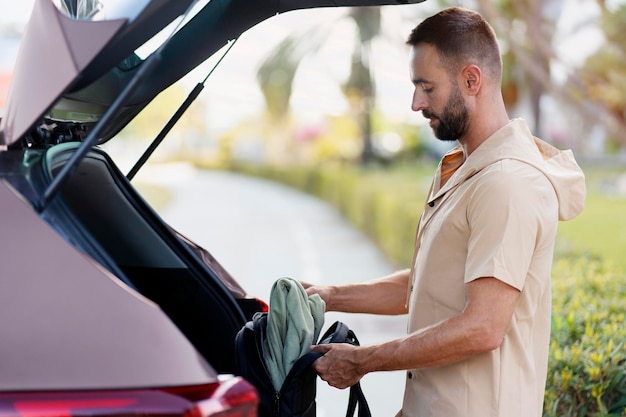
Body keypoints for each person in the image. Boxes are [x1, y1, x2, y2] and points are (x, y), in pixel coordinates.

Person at [303, 6, 586, 417]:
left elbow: (482, 327)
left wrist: (363, 361)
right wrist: (330, 296)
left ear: (472, 80)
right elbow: (424, 287)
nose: (416, 102)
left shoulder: (507, 183)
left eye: (427, 87)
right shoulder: (462, 168)